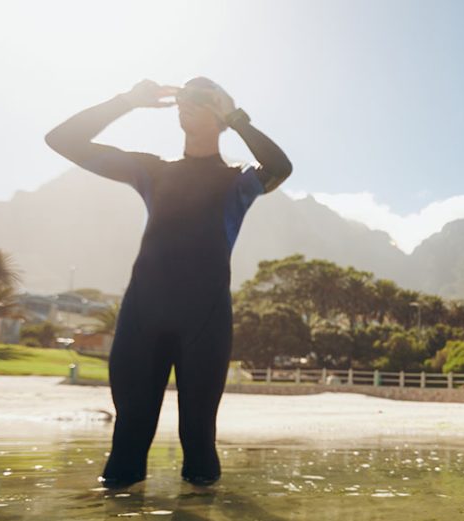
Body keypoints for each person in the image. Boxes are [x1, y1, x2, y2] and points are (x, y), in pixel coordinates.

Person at [46, 78, 292, 488]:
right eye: (183, 97)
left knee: (198, 443)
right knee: (127, 443)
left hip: (205, 323)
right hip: (142, 317)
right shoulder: (153, 170)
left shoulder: (240, 180)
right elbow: (62, 140)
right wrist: (126, 101)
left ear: (222, 114)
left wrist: (236, 117)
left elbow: (282, 168)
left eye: (201, 98)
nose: (187, 104)